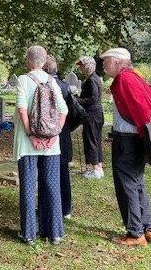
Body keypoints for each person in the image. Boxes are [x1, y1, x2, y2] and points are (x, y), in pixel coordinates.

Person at [101, 47, 151, 246]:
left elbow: (140, 110)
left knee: (127, 187)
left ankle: (135, 234)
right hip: (137, 140)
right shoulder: (134, 77)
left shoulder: (124, 79)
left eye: (107, 61)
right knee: (137, 184)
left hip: (127, 141)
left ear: (118, 62)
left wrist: (139, 133)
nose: (103, 64)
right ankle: (149, 229)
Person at [14, 46, 68, 245]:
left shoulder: (23, 80)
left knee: (28, 187)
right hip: (51, 145)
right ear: (44, 62)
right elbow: (63, 110)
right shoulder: (52, 81)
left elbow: (21, 110)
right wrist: (54, 136)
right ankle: (54, 232)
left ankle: (29, 233)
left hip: (28, 144)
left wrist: (31, 135)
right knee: (52, 186)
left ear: (28, 61)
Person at [44, 55, 73, 220]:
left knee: (49, 173)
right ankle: (66, 208)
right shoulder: (65, 86)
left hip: (50, 133)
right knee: (64, 172)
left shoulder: (47, 86)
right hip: (64, 132)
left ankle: (51, 207)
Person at [76, 56, 105, 179]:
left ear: (87, 66)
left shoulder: (92, 80)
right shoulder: (96, 78)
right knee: (96, 140)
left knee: (91, 141)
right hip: (97, 113)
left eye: (82, 65)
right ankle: (99, 167)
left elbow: (92, 98)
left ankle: (95, 170)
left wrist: (78, 100)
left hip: (92, 114)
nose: (80, 68)